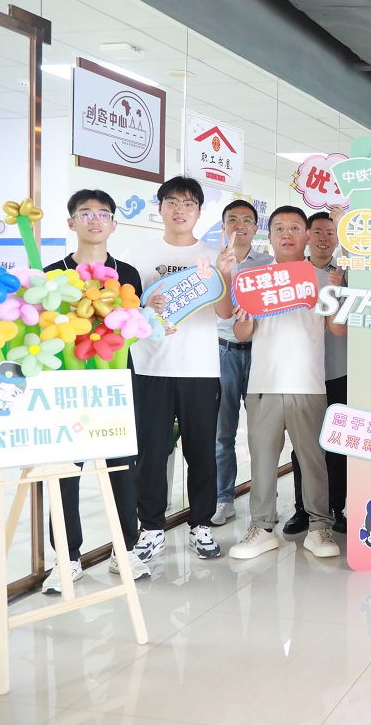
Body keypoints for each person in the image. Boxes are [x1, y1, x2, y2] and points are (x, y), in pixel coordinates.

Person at [41, 189, 150, 591]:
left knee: (121, 468)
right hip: (66, 384)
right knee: (64, 472)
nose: (94, 220)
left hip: (115, 381)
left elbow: (135, 327)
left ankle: (126, 550)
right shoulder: (53, 274)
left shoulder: (128, 273)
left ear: (114, 224)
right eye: (85, 213)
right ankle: (66, 559)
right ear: (71, 222)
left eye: (103, 213)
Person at [125, 176, 237, 563]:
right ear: (160, 207)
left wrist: (225, 273)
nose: (180, 210)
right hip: (150, 366)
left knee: (202, 452)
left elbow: (225, 313)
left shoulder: (213, 254)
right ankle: (151, 528)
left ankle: (200, 525)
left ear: (199, 212)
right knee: (151, 453)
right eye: (172, 202)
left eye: (189, 204)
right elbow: (125, 313)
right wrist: (146, 308)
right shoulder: (137, 255)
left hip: (200, 369)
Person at [228, 205, 348, 561]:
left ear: (307, 235)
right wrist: (244, 315)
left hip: (308, 384)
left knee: (313, 460)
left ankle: (319, 527)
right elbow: (242, 333)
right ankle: (262, 528)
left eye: (295, 227)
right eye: (279, 228)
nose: (286, 234)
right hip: (263, 383)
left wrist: (337, 295)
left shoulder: (324, 278)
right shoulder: (255, 279)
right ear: (270, 236)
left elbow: (338, 330)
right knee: (262, 461)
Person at [284, 211, 349, 534]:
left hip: (340, 370)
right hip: (303, 373)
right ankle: (303, 509)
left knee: (337, 443)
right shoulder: (293, 273)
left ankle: (336, 506)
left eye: (331, 232)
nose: (325, 238)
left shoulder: (346, 273)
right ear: (308, 236)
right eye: (318, 232)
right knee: (304, 446)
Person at [211, 199, 273, 527]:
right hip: (224, 352)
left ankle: (262, 501)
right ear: (224, 226)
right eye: (233, 219)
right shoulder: (213, 261)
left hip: (261, 351)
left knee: (262, 433)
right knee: (223, 432)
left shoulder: (268, 263)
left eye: (247, 220)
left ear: (256, 227)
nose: (240, 225)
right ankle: (223, 498)